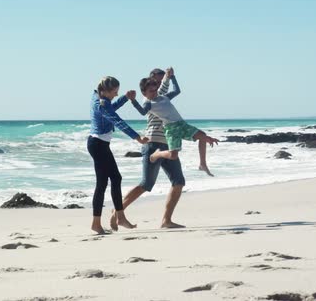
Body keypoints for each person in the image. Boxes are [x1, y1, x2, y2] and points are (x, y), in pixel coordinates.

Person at [110, 68, 187, 230]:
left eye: (159, 83)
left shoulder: (161, 97)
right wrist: (167, 78)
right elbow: (163, 87)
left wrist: (171, 77)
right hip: (153, 144)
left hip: (168, 144)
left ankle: (166, 220)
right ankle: (118, 211)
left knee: (178, 181)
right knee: (146, 184)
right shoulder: (151, 100)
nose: (158, 86)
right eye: (156, 83)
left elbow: (172, 89)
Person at [88, 76, 149, 234]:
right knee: (109, 181)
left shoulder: (99, 98)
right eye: (114, 92)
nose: (115, 95)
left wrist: (125, 99)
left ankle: (112, 219)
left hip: (99, 144)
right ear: (105, 90)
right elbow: (117, 120)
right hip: (98, 145)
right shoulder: (100, 103)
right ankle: (115, 218)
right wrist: (137, 137)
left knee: (109, 181)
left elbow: (111, 108)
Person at [130, 70, 219, 169]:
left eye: (155, 90)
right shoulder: (148, 103)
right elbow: (142, 112)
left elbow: (177, 91)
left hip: (182, 124)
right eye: (151, 91)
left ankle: (202, 164)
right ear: (144, 93)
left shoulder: (164, 97)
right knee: (173, 156)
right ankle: (156, 154)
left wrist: (172, 77)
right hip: (171, 128)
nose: (154, 93)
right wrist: (133, 100)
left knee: (202, 135)